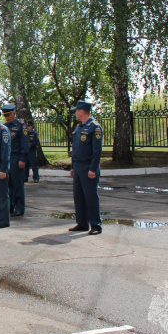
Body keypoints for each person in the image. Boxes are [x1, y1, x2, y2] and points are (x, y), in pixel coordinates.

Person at [69, 100, 103, 235]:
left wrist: (93, 169)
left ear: (82, 111)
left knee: (90, 196)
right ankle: (82, 223)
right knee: (78, 196)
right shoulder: (79, 127)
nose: (75, 113)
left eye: (76, 111)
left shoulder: (95, 127)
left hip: (88, 167)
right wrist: (72, 166)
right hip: (78, 167)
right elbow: (75, 149)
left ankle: (96, 225)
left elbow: (97, 151)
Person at [1, 104, 28, 216]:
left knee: (17, 184)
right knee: (8, 184)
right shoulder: (5, 127)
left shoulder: (21, 126)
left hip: (17, 158)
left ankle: (19, 208)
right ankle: (10, 207)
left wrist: (22, 159)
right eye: (5, 115)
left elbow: (25, 144)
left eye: (8, 115)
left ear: (14, 113)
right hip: (8, 158)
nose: (7, 117)